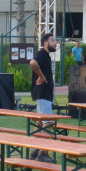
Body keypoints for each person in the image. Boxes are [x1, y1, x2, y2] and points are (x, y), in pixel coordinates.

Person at [30, 32, 57, 163]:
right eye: (52, 40)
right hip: (42, 94)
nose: (55, 43)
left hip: (42, 94)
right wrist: (41, 77)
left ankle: (35, 151)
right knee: (48, 122)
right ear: (45, 43)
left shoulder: (46, 56)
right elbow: (33, 63)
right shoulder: (42, 53)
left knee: (40, 123)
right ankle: (43, 153)